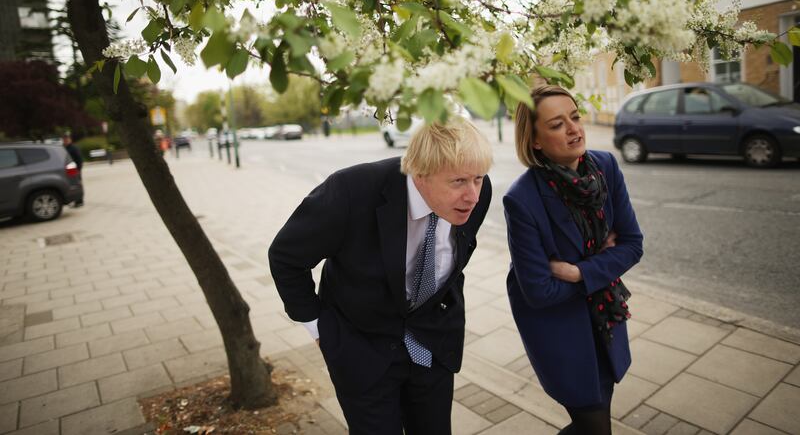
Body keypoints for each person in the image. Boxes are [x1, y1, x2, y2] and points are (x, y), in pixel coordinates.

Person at [269, 117, 493, 435]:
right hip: (362, 352)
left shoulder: (477, 196)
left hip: (433, 347)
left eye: (479, 179)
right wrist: (320, 329)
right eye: (458, 182)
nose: (472, 195)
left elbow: (454, 262)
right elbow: (285, 257)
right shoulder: (351, 191)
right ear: (419, 173)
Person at [504, 85, 643, 435]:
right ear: (534, 140)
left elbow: (632, 244)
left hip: (605, 317)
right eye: (556, 124)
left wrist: (579, 272)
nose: (574, 129)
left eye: (575, 117)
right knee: (594, 423)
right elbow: (539, 291)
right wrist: (604, 264)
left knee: (595, 419)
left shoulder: (606, 167)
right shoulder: (522, 199)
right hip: (560, 329)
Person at [62, 133, 84, 207]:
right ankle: (76, 200)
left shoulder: (74, 148)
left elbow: (79, 159)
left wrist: (79, 169)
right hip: (69, 168)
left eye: (67, 139)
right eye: (64, 139)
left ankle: (80, 201)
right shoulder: (64, 148)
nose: (66, 141)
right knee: (72, 184)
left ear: (70, 139)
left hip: (75, 168)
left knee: (77, 184)